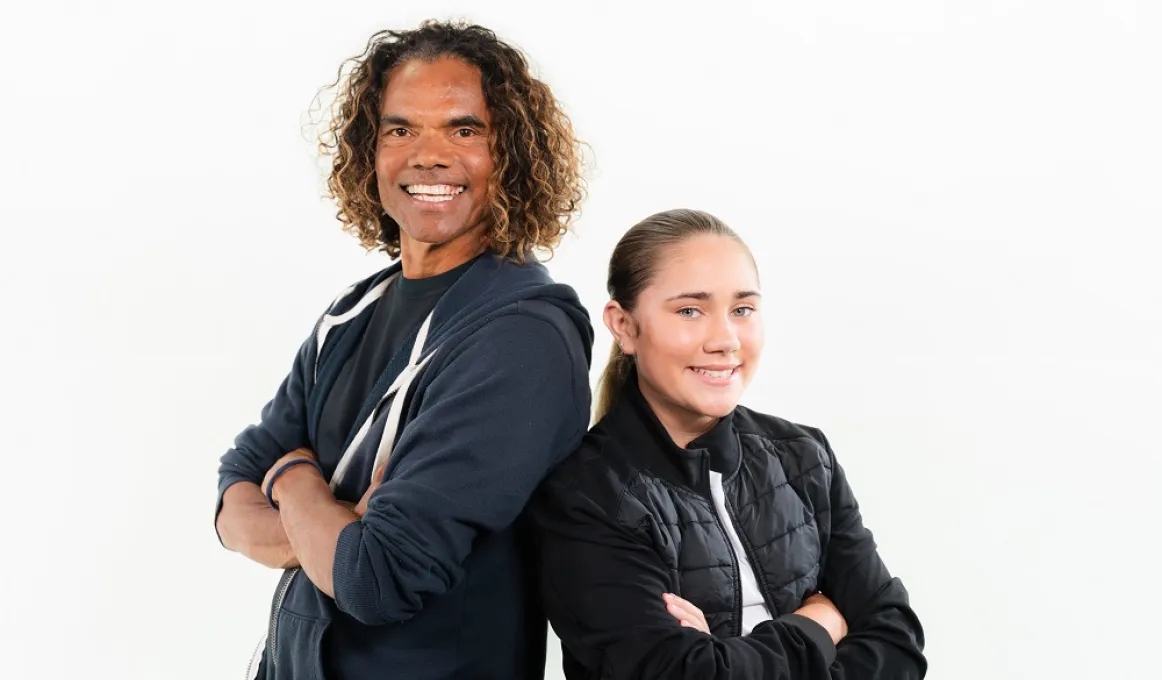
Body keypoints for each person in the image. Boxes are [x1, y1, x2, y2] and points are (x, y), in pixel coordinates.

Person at [214, 21, 593, 680]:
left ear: (511, 154)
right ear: (371, 151)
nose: (428, 155)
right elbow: (230, 497)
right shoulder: (354, 311)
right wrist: (330, 531)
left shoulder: (522, 338)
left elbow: (376, 577)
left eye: (463, 129)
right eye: (400, 129)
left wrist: (293, 482)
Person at [531, 209, 926, 679]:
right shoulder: (585, 495)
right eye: (690, 310)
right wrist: (819, 622)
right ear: (624, 325)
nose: (725, 340)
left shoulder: (803, 456)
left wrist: (724, 655)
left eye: (742, 310)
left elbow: (897, 642)